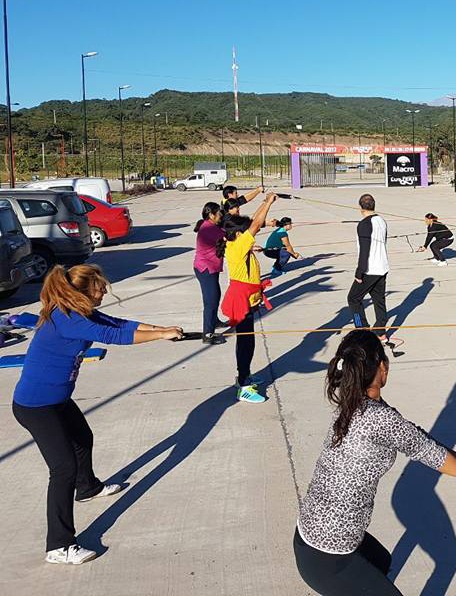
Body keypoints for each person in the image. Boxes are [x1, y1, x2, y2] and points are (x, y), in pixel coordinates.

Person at [294, 330, 456, 595]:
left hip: (309, 536)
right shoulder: (380, 419)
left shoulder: (353, 402)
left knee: (381, 561)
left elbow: (416, 437)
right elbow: (430, 453)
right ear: (383, 367)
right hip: (330, 556)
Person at [12, 265, 183, 565]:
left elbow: (118, 323)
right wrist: (159, 337)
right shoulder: (68, 319)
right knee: (62, 469)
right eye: (100, 287)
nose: (104, 291)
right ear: (82, 291)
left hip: (57, 400)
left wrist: (159, 330)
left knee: (83, 438)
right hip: (36, 407)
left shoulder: (80, 312)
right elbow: (110, 335)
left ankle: (88, 488)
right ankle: (59, 546)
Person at [218, 192, 278, 404]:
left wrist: (264, 202)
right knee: (246, 343)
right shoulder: (237, 246)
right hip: (241, 300)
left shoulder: (236, 243)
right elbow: (256, 224)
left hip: (247, 298)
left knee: (247, 341)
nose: (250, 234)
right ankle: (244, 386)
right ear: (237, 234)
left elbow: (253, 222)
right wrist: (268, 202)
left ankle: (244, 375)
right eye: (244, 232)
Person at [348, 194, 390, 342]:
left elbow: (365, 250)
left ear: (360, 208)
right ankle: (380, 332)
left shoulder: (364, 224)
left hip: (370, 269)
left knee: (353, 298)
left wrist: (359, 272)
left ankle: (361, 329)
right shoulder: (382, 220)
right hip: (382, 267)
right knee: (379, 300)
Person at [193, 202, 228, 345]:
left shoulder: (209, 225)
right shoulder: (209, 229)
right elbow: (231, 237)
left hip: (209, 268)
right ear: (211, 215)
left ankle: (214, 321)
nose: (220, 216)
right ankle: (207, 334)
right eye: (219, 213)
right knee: (211, 301)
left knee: (215, 295)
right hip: (206, 269)